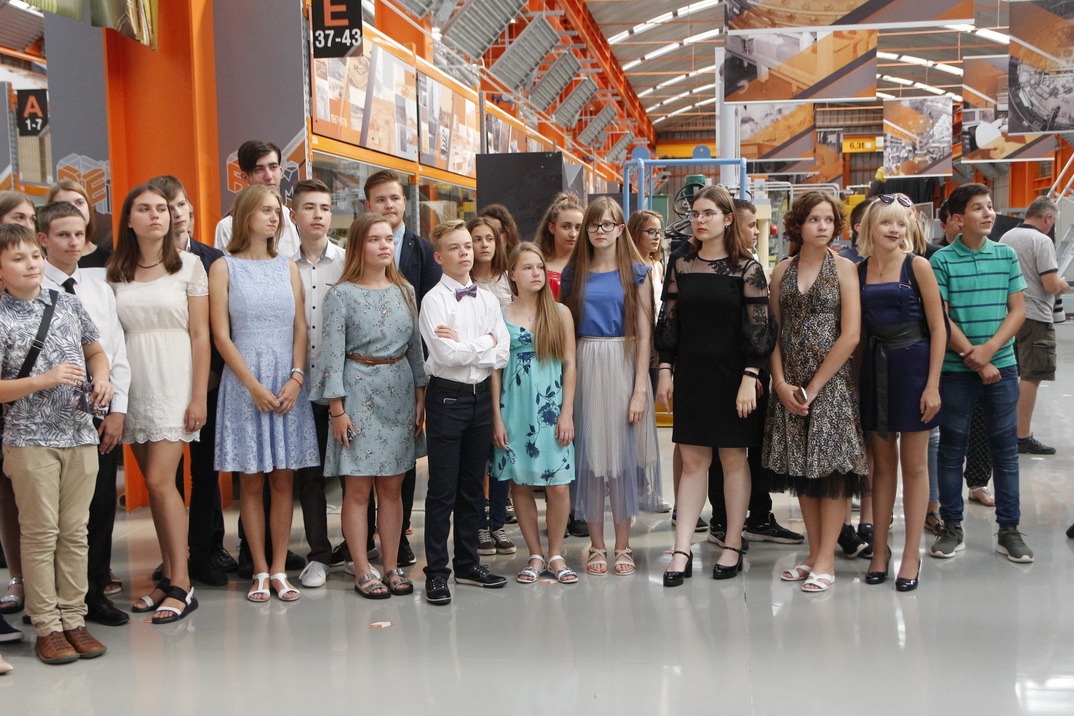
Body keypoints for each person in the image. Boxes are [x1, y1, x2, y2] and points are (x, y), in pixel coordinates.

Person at [0, 223, 113, 663]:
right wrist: (42, 380)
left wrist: (101, 378)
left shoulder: (65, 303)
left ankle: (74, 619)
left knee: (74, 532)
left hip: (79, 432)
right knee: (40, 533)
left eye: (33, 255)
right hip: (29, 439)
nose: (31, 264)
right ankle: (47, 625)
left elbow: (95, 351)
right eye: (17, 258)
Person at [656, 185, 773, 584]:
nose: (700, 220)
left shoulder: (747, 268)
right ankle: (681, 548)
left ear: (727, 219)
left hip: (734, 377)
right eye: (695, 213)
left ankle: (733, 542)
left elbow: (760, 330)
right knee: (693, 463)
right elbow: (669, 321)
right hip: (692, 374)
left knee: (733, 459)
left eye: (708, 213)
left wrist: (751, 377)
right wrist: (666, 370)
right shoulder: (681, 263)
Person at [209, 185, 319, 603]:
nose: (275, 218)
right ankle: (257, 568)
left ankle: (278, 568)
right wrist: (252, 386)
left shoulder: (287, 266)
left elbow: (300, 327)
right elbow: (221, 335)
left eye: (277, 212)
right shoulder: (224, 268)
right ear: (245, 216)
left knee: (284, 481)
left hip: (287, 381)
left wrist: (296, 377)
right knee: (251, 483)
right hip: (245, 384)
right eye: (266, 211)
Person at [311, 213, 427, 599]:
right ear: (358, 246)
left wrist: (420, 395)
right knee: (358, 489)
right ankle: (363, 568)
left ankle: (391, 566)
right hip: (357, 393)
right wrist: (337, 409)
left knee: (392, 489)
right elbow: (331, 357)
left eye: (388, 239)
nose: (384, 246)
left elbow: (415, 348)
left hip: (399, 392)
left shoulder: (405, 290)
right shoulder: (340, 295)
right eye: (375, 239)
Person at [108, 184, 209, 624]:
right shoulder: (115, 272)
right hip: (133, 383)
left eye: (162, 209)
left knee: (159, 480)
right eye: (145, 209)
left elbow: (201, 336)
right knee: (152, 487)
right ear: (129, 220)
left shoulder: (189, 266)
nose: (156, 215)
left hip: (175, 381)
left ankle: (183, 584)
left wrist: (199, 395)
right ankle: (168, 575)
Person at [762, 191, 867, 593]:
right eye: (814, 219)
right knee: (802, 469)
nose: (823, 226)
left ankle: (826, 559)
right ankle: (812, 553)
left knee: (832, 471)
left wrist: (813, 387)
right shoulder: (781, 271)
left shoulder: (844, 269)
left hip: (830, 384)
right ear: (798, 225)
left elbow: (851, 334)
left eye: (828, 220)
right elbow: (773, 331)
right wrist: (781, 383)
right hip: (790, 384)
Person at [38, 201, 132, 625]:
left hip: (98, 410)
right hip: (46, 417)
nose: (73, 242)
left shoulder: (98, 285)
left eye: (79, 234)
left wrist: (118, 410)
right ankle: (51, 603)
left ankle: (93, 593)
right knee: (53, 517)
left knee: (100, 507)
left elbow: (115, 352)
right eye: (63, 234)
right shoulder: (31, 285)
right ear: (43, 239)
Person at [929, 183, 1031, 563]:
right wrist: (976, 358)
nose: (988, 213)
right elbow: (941, 318)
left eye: (989, 206)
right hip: (956, 371)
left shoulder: (1006, 255)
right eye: (978, 208)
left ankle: (1009, 530)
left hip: (1001, 367)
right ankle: (952, 527)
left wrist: (990, 351)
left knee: (1005, 450)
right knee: (951, 450)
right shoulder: (941, 261)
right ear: (958, 219)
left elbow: (1017, 310)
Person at [561, 197, 661, 577]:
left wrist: (640, 390)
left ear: (621, 229)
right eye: (593, 225)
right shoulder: (574, 274)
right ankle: (596, 545)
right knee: (591, 459)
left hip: (623, 362)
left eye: (607, 225)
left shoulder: (636, 273)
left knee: (620, 460)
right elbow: (566, 331)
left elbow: (645, 334)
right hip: (585, 363)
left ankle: (623, 545)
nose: (600, 231)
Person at [856, 195, 946, 591]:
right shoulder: (858, 270)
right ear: (870, 228)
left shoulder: (917, 265)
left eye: (900, 223)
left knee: (914, 465)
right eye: (886, 223)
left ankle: (911, 554)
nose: (895, 230)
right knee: (881, 466)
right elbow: (856, 333)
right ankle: (880, 549)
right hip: (874, 370)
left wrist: (933, 384)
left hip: (913, 368)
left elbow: (939, 328)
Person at [147, 175, 233, 587]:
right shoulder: (144, 261)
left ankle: (204, 551)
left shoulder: (214, 258)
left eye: (180, 204)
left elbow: (222, 322)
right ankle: (174, 558)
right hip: (160, 379)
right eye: (167, 207)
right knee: (166, 476)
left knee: (205, 471)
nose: (176, 213)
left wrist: (213, 373)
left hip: (207, 380)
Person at [419, 220, 510, 605]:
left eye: (468, 246)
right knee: (442, 490)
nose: (465, 252)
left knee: (474, 488)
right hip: (447, 399)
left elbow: (502, 352)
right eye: (455, 248)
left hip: (481, 400)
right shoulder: (433, 300)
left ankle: (468, 563)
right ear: (439, 256)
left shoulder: (488, 299)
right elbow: (444, 355)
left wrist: (471, 345)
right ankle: (437, 573)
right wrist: (485, 341)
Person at [705, 198, 804, 548]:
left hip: (755, 371)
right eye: (750, 225)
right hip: (722, 372)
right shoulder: (704, 267)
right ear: (732, 224)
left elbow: (763, 325)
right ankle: (722, 522)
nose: (756, 231)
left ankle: (759, 516)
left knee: (757, 446)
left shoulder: (753, 265)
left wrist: (757, 372)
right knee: (722, 449)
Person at [359, 169, 440, 570]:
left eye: (394, 198)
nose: (388, 205)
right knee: (361, 466)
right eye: (380, 199)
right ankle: (362, 539)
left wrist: (421, 379)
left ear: (405, 202)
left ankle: (400, 533)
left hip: (409, 369)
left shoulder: (422, 251)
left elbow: (428, 312)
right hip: (363, 377)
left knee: (401, 460)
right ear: (367, 205)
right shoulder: (357, 251)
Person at [490, 243, 578, 584]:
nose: (536, 273)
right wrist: (497, 417)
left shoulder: (560, 313)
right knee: (520, 483)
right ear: (512, 274)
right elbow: (495, 370)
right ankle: (535, 554)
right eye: (527, 268)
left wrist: (567, 413)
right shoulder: (500, 315)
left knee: (559, 486)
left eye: (539, 267)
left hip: (551, 408)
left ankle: (556, 553)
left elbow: (570, 366)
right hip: (515, 408)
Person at [289, 179, 345, 589]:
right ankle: (319, 554)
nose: (318, 215)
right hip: (298, 383)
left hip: (342, 384)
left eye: (325, 207)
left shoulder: (347, 262)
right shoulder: (280, 265)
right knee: (309, 475)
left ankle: (360, 547)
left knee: (354, 472)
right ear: (294, 215)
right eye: (309, 207)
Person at [999, 196, 1068, 455]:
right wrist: (1062, 284)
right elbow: (1050, 284)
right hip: (1036, 316)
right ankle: (1021, 435)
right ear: (1047, 218)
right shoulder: (1041, 240)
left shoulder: (1006, 237)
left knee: (1009, 374)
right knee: (1032, 375)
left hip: (1008, 315)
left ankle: (1005, 430)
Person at [467, 215, 515, 556]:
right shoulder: (462, 281)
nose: (484, 245)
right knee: (478, 455)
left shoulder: (508, 279)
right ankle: (478, 524)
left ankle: (498, 521)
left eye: (489, 239)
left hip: (508, 373)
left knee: (502, 448)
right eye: (477, 239)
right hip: (473, 373)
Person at [0, 191, 36, 619]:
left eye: (30, 218)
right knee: (7, 497)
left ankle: (46, 589)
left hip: (32, 417)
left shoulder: (40, 287)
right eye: (16, 217)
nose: (25, 224)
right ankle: (18, 578)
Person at [215, 140, 300, 258]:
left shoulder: (292, 218)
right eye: (259, 169)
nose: (268, 176)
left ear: (281, 171)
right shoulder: (228, 226)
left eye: (273, 167)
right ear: (245, 177)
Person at [46, 179, 112, 269]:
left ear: (89, 207)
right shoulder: (39, 261)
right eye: (64, 205)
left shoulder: (110, 260)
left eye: (79, 203)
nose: (74, 209)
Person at [535, 193, 584, 300]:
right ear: (552, 227)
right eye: (566, 227)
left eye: (578, 228)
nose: (573, 234)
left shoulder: (591, 264)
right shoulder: (536, 265)